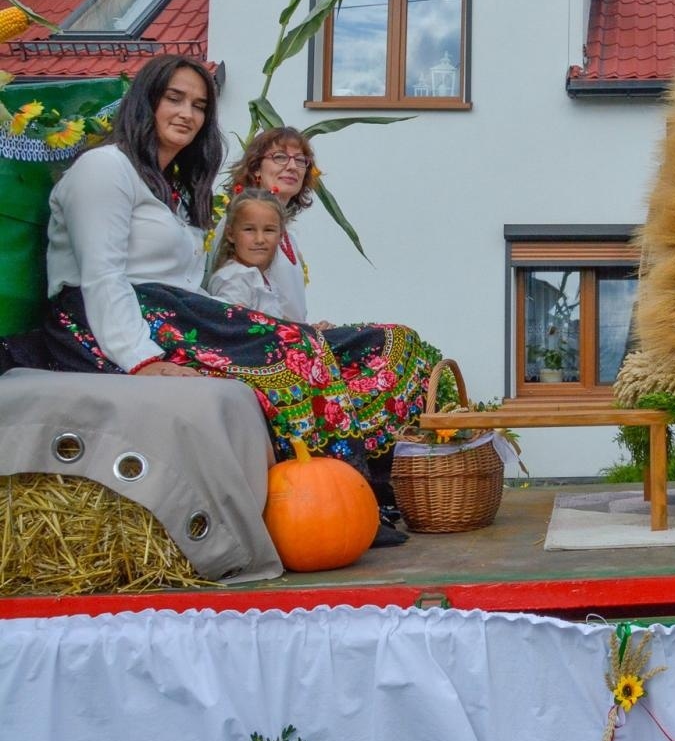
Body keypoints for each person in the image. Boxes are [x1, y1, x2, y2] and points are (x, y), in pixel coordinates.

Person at [41, 56, 413, 543]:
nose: (187, 114)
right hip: (108, 320)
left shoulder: (173, 191)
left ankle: (373, 496)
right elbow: (102, 276)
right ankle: (343, 499)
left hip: (179, 311)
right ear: (144, 102)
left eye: (198, 105)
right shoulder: (104, 168)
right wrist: (142, 361)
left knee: (383, 345)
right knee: (296, 355)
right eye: (173, 98)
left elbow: (197, 286)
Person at [220, 127, 444, 521]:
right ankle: (363, 487)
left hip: (299, 341)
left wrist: (308, 327)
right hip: (273, 352)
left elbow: (279, 305)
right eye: (279, 158)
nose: (292, 167)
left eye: (300, 161)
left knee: (399, 347)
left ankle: (374, 482)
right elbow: (239, 306)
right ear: (255, 168)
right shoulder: (236, 224)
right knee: (391, 340)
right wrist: (300, 335)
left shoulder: (285, 237)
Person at [206, 188, 288, 315]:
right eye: (249, 229)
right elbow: (233, 326)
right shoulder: (237, 277)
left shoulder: (262, 278)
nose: (260, 239)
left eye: (269, 230)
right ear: (231, 234)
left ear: (280, 236)